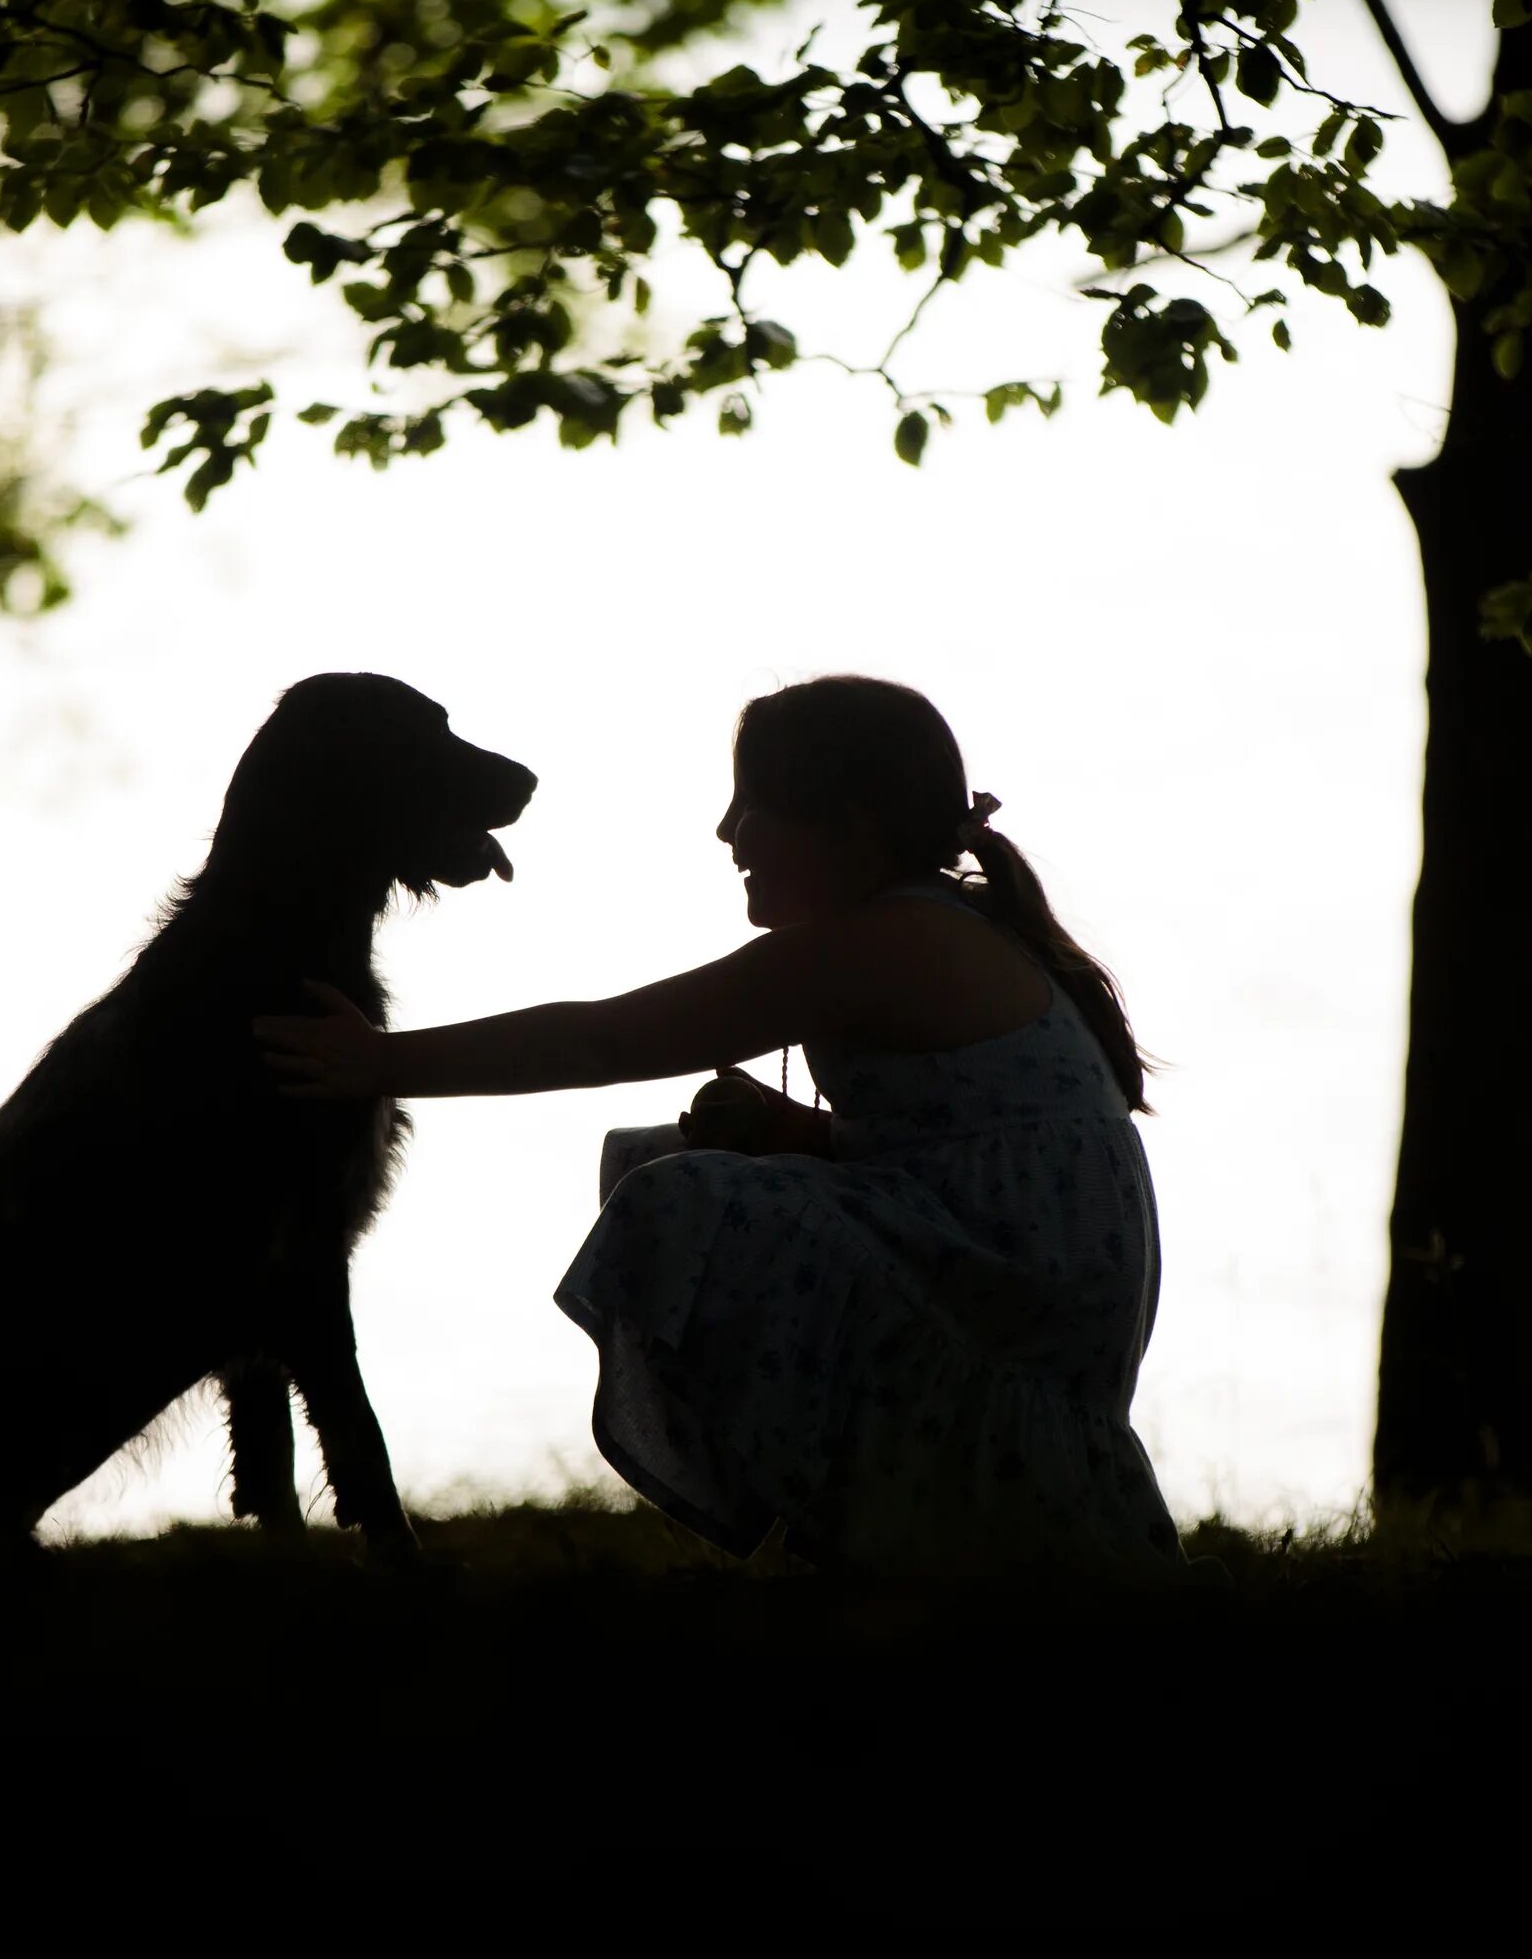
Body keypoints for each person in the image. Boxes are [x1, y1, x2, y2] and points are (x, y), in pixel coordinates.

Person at [253, 675, 1182, 1579]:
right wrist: (811, 1136)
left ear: (849, 828)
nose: (726, 831)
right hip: (1022, 1280)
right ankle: (875, 1516)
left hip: (1015, 1308)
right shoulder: (929, 926)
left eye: (753, 806)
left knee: (681, 1199)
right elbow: (969, 1145)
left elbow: (604, 1037)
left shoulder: (876, 943)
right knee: (659, 1155)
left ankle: (870, 1526)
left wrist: (382, 1063)